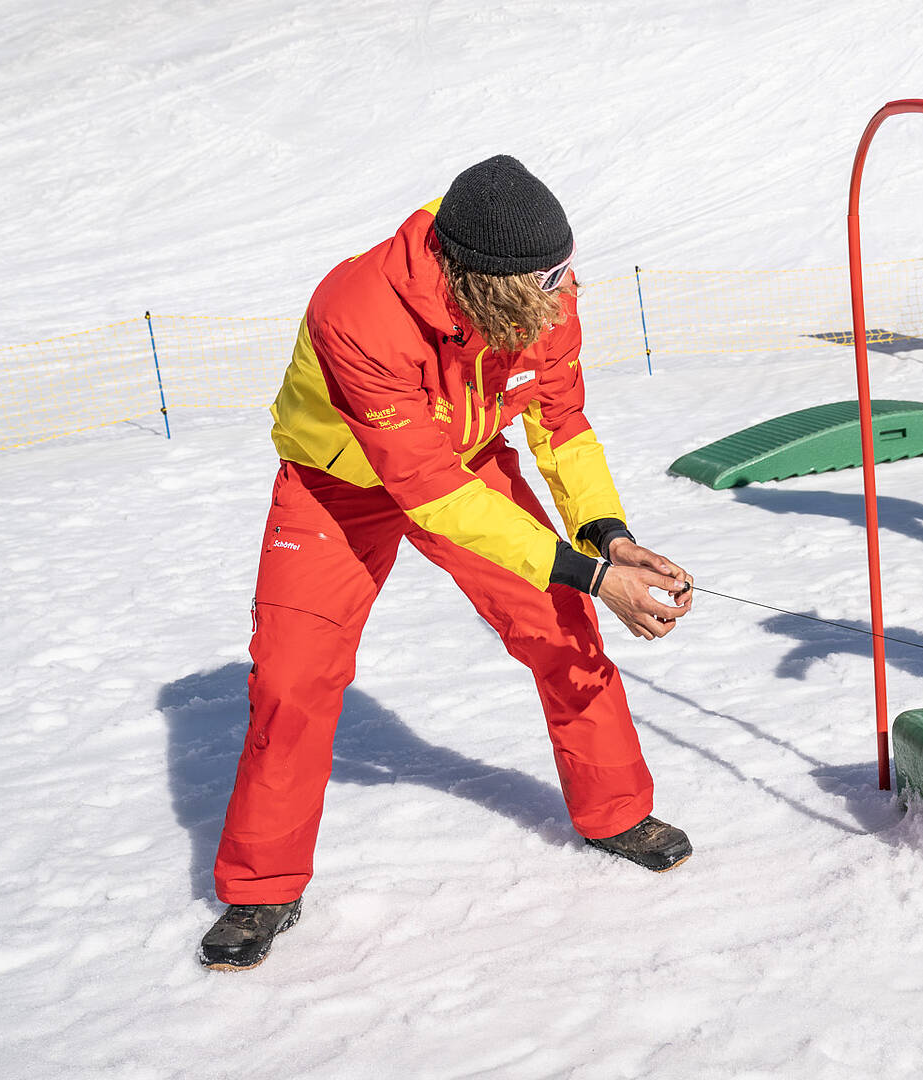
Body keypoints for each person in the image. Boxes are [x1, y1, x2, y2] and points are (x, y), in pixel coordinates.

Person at [198, 155, 698, 971]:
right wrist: (595, 577)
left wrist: (606, 536)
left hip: (464, 462)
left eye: (566, 273)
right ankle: (262, 886)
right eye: (549, 281)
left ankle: (616, 812)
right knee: (294, 680)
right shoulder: (357, 310)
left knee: (561, 631)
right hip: (337, 487)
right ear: (485, 284)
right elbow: (425, 491)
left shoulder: (547, 300)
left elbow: (562, 423)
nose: (566, 296)